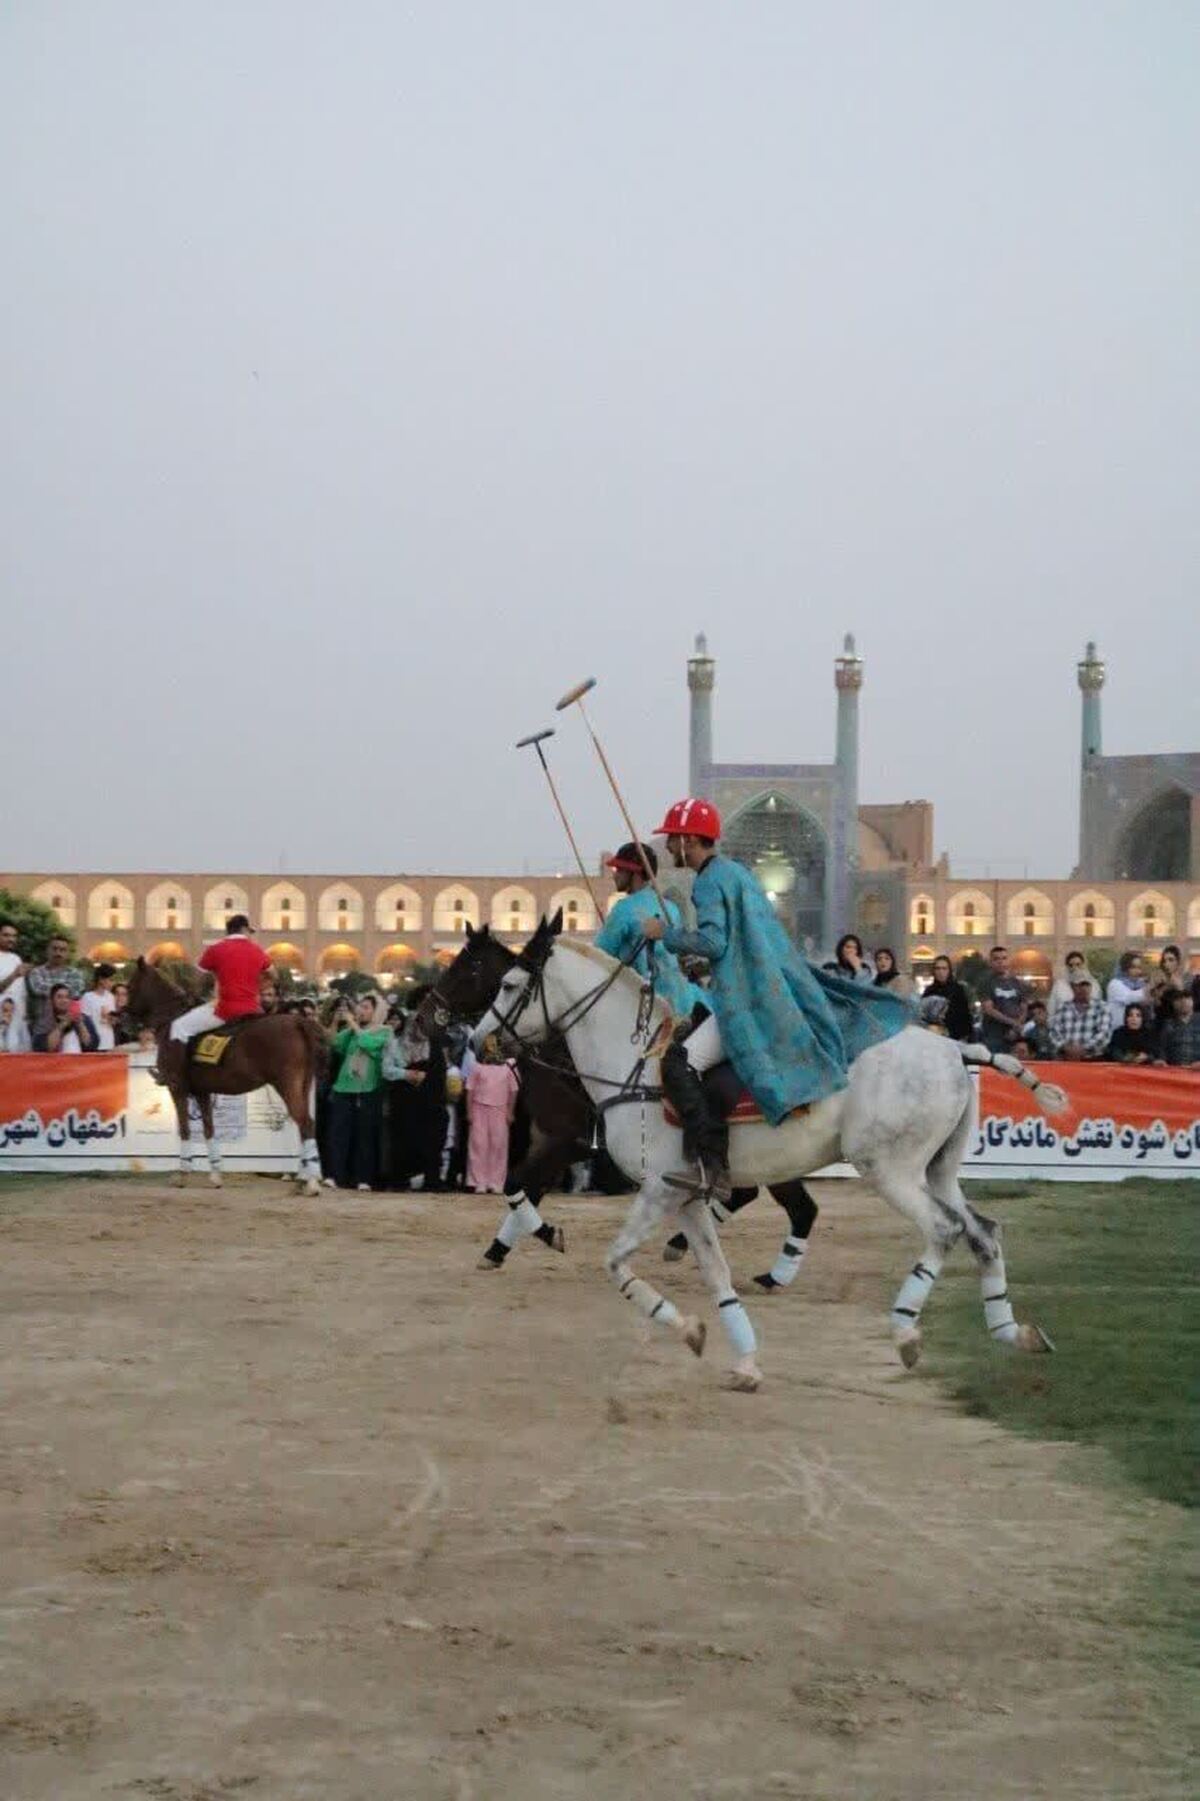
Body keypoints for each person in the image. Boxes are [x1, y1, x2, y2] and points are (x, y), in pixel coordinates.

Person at [642, 798, 911, 1200]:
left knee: (679, 1063)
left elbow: (715, 942)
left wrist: (667, 934)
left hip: (742, 1001)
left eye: (672, 839)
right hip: (762, 989)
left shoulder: (707, 882)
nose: (667, 847)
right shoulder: (737, 874)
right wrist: (700, 962)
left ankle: (710, 1167)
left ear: (688, 839)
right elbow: (735, 945)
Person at [594, 841, 705, 1020]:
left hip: (649, 1008)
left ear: (634, 873)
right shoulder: (670, 907)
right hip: (684, 1000)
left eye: (619, 870)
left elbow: (598, 957)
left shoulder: (624, 909)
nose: (614, 876)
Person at [164, 915, 272, 1080]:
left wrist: (196, 993)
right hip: (253, 1009)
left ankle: (174, 1076)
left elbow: (197, 978)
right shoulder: (257, 950)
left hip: (225, 1010)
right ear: (243, 929)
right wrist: (258, 989)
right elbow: (273, 974)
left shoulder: (215, 949)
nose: (250, 935)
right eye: (249, 931)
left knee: (179, 1027)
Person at [328, 993, 390, 1190]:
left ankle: (363, 1178)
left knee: (365, 1135)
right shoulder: (352, 1031)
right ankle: (335, 1176)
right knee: (339, 1133)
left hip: (368, 1089)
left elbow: (369, 1045)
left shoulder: (384, 1031)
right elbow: (335, 1044)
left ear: (376, 1011)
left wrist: (353, 1025)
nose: (360, 1011)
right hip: (344, 1087)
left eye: (366, 1007)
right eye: (360, 1007)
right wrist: (336, 1023)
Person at [465, 1035, 520, 1193]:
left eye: (495, 1044)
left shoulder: (508, 1066)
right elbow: (470, 1090)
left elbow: (513, 1091)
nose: (492, 1048)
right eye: (488, 1045)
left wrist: (510, 1112)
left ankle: (496, 1182)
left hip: (500, 1109)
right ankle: (478, 1182)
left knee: (499, 1146)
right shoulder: (477, 1066)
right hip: (479, 1108)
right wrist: (469, 1112)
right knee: (479, 1145)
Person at [26, 935, 84, 1040]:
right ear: (47, 951)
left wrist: (52, 990)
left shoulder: (76, 973)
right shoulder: (36, 972)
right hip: (42, 1028)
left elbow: (76, 992)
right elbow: (38, 989)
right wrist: (65, 989)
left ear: (67, 953)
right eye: (55, 949)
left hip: (70, 1027)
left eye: (62, 950)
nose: (58, 953)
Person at [1049, 970, 1112, 1061]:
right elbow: (1054, 1033)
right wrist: (1066, 1048)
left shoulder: (1102, 1007)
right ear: (1072, 987)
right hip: (1066, 1059)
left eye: (1087, 985)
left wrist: (1083, 1049)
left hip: (1093, 1060)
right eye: (1080, 985)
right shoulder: (1063, 1007)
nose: (1084, 988)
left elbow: (1104, 1034)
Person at [978, 946, 1027, 1054]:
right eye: (996, 959)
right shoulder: (986, 983)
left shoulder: (1017, 983)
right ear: (990, 962)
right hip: (993, 1037)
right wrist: (1013, 1023)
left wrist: (1016, 1027)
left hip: (1015, 1036)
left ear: (1009, 960)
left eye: (1004, 958)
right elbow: (989, 1009)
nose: (1001, 962)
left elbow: (1023, 1007)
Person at [918, 955, 973, 1041]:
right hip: (933, 1038)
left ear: (949, 970)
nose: (941, 972)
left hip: (954, 1038)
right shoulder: (929, 990)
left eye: (944, 968)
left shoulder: (958, 989)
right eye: (937, 968)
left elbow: (965, 1016)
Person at [32, 984, 100, 1053]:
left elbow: (92, 1046)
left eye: (67, 997)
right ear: (52, 1000)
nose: (64, 1000)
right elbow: (42, 1048)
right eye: (59, 997)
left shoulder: (84, 1019)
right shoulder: (43, 1021)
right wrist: (62, 1025)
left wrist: (80, 1024)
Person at [0, 918, 29, 1045]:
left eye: (14, 936)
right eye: (6, 935)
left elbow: (21, 992)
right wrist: (15, 975)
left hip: (18, 1017)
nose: (11, 939)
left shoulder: (16, 958)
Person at [1106, 951, 1148, 1034]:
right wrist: (1151, 987)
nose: (1137, 971)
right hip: (1118, 1033)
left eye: (1139, 968)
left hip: (1137, 1033)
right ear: (1124, 968)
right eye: (1133, 967)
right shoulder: (1115, 984)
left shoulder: (1140, 984)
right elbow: (1131, 997)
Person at [81, 962, 119, 1051]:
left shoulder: (111, 997)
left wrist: (112, 1019)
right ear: (101, 979)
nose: (112, 983)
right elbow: (85, 1021)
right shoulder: (88, 997)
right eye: (110, 979)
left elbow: (113, 1022)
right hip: (94, 1042)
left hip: (109, 1041)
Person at [1158, 990, 1200, 1069]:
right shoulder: (1168, 1024)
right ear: (1173, 1004)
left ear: (1193, 1001)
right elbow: (1162, 1048)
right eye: (1179, 999)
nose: (1183, 1002)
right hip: (1175, 1071)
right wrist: (1161, 1061)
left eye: (1187, 998)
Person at [1148, 944, 1187, 1019]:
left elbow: (1186, 1007)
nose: (1167, 964)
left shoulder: (1186, 979)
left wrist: (1179, 987)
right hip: (1160, 1021)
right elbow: (1154, 1005)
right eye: (1164, 960)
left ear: (1178, 962)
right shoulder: (1158, 979)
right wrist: (1159, 989)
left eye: (1171, 960)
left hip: (1178, 1022)